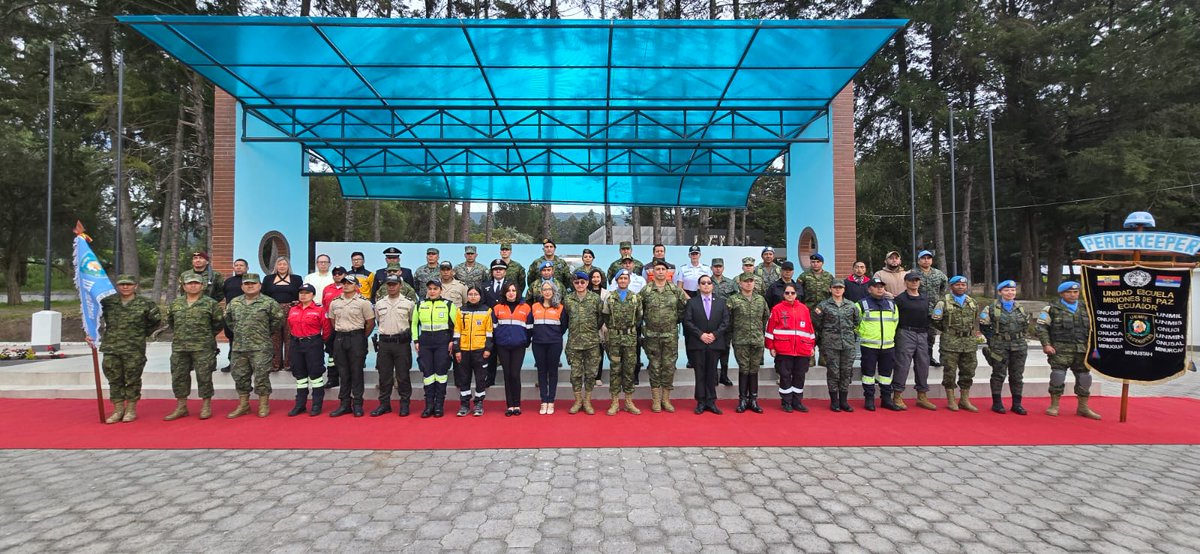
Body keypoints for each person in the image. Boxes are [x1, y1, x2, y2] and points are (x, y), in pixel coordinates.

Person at [98, 275, 163, 424]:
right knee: (114, 379)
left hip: (134, 348)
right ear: (117, 286)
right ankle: (118, 409)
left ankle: (131, 408)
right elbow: (93, 318)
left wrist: (141, 333)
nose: (125, 287)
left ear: (135, 286)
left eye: (129, 284)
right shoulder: (108, 303)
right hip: (111, 347)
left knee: (132, 378)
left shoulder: (145, 303)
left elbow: (155, 321)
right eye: (122, 284)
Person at [163, 274, 224, 421]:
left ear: (202, 286)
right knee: (179, 376)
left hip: (203, 347)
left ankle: (206, 406)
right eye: (189, 284)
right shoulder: (175, 304)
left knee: (204, 376)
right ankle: (181, 406)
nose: (193, 286)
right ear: (184, 286)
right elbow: (171, 323)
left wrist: (205, 336)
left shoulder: (211, 304)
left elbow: (218, 324)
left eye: (196, 283)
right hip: (180, 347)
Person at [1036, 281, 1100, 420]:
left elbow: (1097, 328)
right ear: (1062, 294)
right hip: (1060, 349)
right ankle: (1054, 405)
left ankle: (1083, 407)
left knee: (1084, 377)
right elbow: (1041, 328)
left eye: (1075, 292)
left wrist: (1096, 347)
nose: (1072, 295)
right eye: (1069, 292)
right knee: (1058, 376)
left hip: (1082, 349)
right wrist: (1046, 344)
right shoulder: (1051, 308)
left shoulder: (1087, 307)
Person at [223, 273, 284, 419]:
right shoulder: (235, 302)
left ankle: (263, 404)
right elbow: (229, 321)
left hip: (261, 347)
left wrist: (263, 332)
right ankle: (244, 405)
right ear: (242, 286)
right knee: (240, 376)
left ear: (260, 286)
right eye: (247, 284)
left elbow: (277, 321)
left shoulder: (269, 302)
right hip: (239, 347)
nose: (250, 286)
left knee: (261, 376)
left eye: (253, 283)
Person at [641, 259, 687, 413]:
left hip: (670, 335)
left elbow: (683, 310)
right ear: (653, 272)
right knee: (654, 366)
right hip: (651, 335)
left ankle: (666, 399)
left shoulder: (675, 290)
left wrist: (672, 321)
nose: (660, 271)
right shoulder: (646, 291)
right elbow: (639, 312)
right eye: (657, 269)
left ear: (667, 273)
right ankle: (655, 399)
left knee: (668, 366)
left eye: (663, 269)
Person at [931, 275, 981, 412]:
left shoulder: (972, 302)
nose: (960, 287)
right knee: (950, 372)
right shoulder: (943, 302)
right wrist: (948, 331)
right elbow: (935, 320)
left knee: (968, 371)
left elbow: (975, 320)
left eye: (963, 285)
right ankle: (951, 400)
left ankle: (964, 399)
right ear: (951, 286)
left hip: (969, 343)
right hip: (950, 343)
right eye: (957, 285)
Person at [326, 275, 375, 417]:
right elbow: (332, 321)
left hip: (357, 337)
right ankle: (344, 404)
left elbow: (370, 323)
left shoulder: (363, 302)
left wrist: (360, 336)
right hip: (340, 337)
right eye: (344, 283)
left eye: (350, 283)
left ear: (356, 286)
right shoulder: (335, 302)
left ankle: (358, 404)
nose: (346, 285)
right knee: (343, 372)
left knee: (357, 372)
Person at [980, 280, 1029, 415]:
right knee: (998, 374)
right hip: (999, 346)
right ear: (1000, 292)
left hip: (1019, 346)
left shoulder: (1021, 307)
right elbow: (984, 325)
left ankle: (1017, 404)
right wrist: (992, 340)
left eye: (1012, 290)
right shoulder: (991, 308)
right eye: (1007, 290)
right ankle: (997, 403)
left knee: (1017, 376)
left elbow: (1026, 325)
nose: (1010, 293)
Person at [766, 282, 816, 413]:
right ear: (783, 294)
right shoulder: (777, 309)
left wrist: (811, 346)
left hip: (802, 349)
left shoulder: (804, 309)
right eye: (787, 293)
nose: (790, 295)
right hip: (783, 348)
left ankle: (797, 401)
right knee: (785, 376)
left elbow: (810, 329)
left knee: (800, 376)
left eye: (792, 293)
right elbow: (770, 329)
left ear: (796, 294)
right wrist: (771, 346)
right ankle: (786, 401)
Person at [683, 276, 730, 415]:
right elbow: (687, 321)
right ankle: (701, 402)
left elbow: (725, 322)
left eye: (709, 283)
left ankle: (711, 401)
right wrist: (701, 335)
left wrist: (714, 335)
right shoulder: (692, 302)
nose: (706, 285)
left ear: (712, 286)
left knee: (712, 373)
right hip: (698, 343)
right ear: (698, 286)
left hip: (715, 343)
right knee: (700, 373)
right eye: (703, 283)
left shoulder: (721, 303)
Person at [413, 280, 459, 418]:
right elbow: (414, 324)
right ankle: (429, 406)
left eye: (435, 289)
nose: (432, 291)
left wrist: (453, 341)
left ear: (440, 290)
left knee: (440, 373)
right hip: (425, 342)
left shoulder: (448, 305)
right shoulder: (420, 305)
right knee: (428, 374)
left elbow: (457, 325)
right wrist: (416, 340)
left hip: (442, 341)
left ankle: (439, 405)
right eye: (430, 289)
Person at [285, 283, 332, 417]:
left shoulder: (319, 310)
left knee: (315, 375)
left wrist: (319, 341)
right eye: (301, 293)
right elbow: (290, 326)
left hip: (313, 344)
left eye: (306, 293)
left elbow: (327, 329)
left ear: (313, 295)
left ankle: (317, 404)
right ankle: (300, 404)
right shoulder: (293, 309)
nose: (303, 295)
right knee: (300, 376)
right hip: (296, 344)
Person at [813, 280, 859, 412]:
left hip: (848, 344)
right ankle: (834, 401)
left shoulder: (851, 305)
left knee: (846, 372)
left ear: (844, 289)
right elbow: (816, 322)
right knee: (833, 372)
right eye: (835, 287)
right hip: (830, 344)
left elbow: (857, 322)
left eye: (840, 287)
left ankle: (844, 401)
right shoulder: (823, 305)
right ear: (830, 289)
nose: (838, 290)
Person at [373, 274, 416, 417]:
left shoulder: (409, 303)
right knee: (384, 376)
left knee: (403, 376)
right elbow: (379, 321)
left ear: (400, 285)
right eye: (389, 284)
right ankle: (384, 404)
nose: (391, 287)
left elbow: (411, 322)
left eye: (394, 284)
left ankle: (404, 404)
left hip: (401, 343)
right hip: (384, 343)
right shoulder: (380, 303)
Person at [892, 272, 935, 411]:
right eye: (911, 280)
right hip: (906, 333)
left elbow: (930, 317)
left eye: (917, 280)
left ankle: (922, 396)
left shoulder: (925, 298)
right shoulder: (900, 299)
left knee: (923, 365)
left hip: (922, 333)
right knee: (902, 365)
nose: (914, 282)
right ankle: (897, 395)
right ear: (906, 282)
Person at [856, 277, 901, 411]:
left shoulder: (892, 305)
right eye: (876, 286)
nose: (879, 288)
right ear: (869, 289)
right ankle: (869, 400)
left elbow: (895, 322)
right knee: (868, 375)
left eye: (881, 286)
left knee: (886, 375)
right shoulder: (861, 304)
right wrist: (863, 334)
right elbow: (854, 323)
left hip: (888, 346)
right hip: (869, 346)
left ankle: (886, 399)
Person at [727, 271, 769, 413]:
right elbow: (728, 320)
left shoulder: (760, 299)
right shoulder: (733, 300)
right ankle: (742, 399)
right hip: (740, 340)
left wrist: (759, 333)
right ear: (740, 283)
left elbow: (765, 318)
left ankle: (754, 399)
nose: (749, 283)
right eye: (746, 281)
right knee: (744, 369)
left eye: (751, 281)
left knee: (754, 369)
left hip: (757, 339)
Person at [603, 270, 643, 415]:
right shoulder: (610, 297)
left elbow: (639, 317)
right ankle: (614, 402)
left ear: (629, 280)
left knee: (629, 369)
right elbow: (605, 316)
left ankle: (628, 401)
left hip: (630, 338)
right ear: (617, 280)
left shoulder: (635, 298)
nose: (623, 280)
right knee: (615, 370)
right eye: (620, 278)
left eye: (625, 278)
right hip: (614, 339)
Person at [565, 272, 604, 415]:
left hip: (592, 343)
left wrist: (591, 330)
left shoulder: (595, 299)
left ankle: (587, 401)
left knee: (591, 374)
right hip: (574, 343)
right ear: (573, 284)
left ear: (587, 283)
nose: (580, 285)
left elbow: (601, 318)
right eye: (577, 282)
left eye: (582, 282)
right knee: (575, 374)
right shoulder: (568, 299)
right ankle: (577, 401)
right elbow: (566, 317)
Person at [451, 286, 493, 416]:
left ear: (480, 296)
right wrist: (457, 350)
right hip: (463, 350)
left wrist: (487, 348)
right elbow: (457, 331)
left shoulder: (487, 311)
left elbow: (489, 332)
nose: (473, 296)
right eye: (470, 294)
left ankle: (479, 403)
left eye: (476, 294)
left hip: (480, 350)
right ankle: (464, 404)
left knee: (480, 378)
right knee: (464, 378)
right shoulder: (461, 311)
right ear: (467, 296)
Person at [492, 283, 531, 416]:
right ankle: (510, 406)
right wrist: (497, 341)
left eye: (514, 290)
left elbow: (529, 328)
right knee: (507, 375)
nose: (511, 293)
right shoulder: (497, 308)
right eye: (508, 290)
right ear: (504, 293)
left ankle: (517, 404)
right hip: (502, 346)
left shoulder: (526, 307)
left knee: (515, 374)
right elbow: (493, 328)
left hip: (519, 346)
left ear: (518, 292)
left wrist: (525, 341)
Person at [530, 281, 567, 415]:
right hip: (538, 344)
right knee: (541, 372)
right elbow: (530, 324)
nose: (547, 292)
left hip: (554, 344)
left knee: (552, 372)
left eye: (549, 289)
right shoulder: (534, 306)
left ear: (554, 291)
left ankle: (551, 401)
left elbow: (563, 327)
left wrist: (554, 336)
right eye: (544, 289)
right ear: (541, 291)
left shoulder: (560, 307)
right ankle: (543, 401)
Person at [262, 256, 302, 372]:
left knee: (289, 337)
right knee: (274, 338)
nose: (282, 266)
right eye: (279, 264)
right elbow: (263, 295)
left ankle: (288, 364)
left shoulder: (296, 279)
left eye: (284, 264)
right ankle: (275, 364)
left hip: (291, 310)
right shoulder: (268, 279)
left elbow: (301, 294)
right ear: (276, 266)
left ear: (288, 266)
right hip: (273, 311)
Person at [480, 259, 513, 388]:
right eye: (495, 269)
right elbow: (482, 304)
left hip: (506, 324)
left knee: (506, 354)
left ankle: (509, 379)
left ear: (505, 271)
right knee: (491, 352)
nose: (498, 271)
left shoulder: (511, 285)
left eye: (501, 269)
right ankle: (490, 378)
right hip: (490, 324)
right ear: (492, 271)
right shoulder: (485, 285)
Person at [914, 250, 948, 367]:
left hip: (933, 311)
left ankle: (929, 357)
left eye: (928, 258)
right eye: (923, 258)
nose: (926, 260)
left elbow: (944, 288)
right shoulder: (913, 273)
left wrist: (940, 302)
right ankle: (916, 358)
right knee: (916, 335)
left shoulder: (939, 274)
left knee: (930, 336)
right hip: (917, 310)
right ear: (919, 261)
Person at [710, 258, 737, 387]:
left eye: (720, 266)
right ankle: (713, 375)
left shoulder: (731, 283)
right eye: (715, 266)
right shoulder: (707, 282)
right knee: (713, 350)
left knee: (725, 349)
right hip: (712, 322)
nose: (718, 269)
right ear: (711, 268)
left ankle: (724, 376)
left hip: (727, 322)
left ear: (723, 268)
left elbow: (736, 299)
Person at [219, 258, 249, 373]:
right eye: (236, 265)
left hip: (247, 316)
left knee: (247, 340)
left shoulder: (251, 281)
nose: (239, 267)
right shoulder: (228, 281)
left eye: (241, 265)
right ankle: (232, 363)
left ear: (247, 268)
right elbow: (225, 295)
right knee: (232, 340)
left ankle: (248, 365)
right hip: (231, 316)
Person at [587, 268, 611, 386]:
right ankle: (589, 376)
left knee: (600, 352)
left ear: (601, 279)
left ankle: (598, 376)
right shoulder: (586, 291)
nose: (595, 279)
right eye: (593, 277)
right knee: (589, 353)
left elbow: (607, 311)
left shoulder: (606, 293)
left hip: (602, 327)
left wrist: (602, 324)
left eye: (598, 277)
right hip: (588, 326)